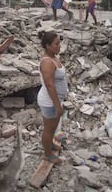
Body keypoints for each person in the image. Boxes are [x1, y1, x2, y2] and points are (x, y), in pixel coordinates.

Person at [37, 31, 69, 164]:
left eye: (59, 43)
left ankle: (50, 145)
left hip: (55, 100)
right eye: (56, 44)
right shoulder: (47, 62)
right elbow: (50, 85)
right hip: (49, 102)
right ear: (48, 45)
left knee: (53, 126)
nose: (59, 46)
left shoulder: (55, 57)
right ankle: (48, 154)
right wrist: (57, 106)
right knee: (49, 129)